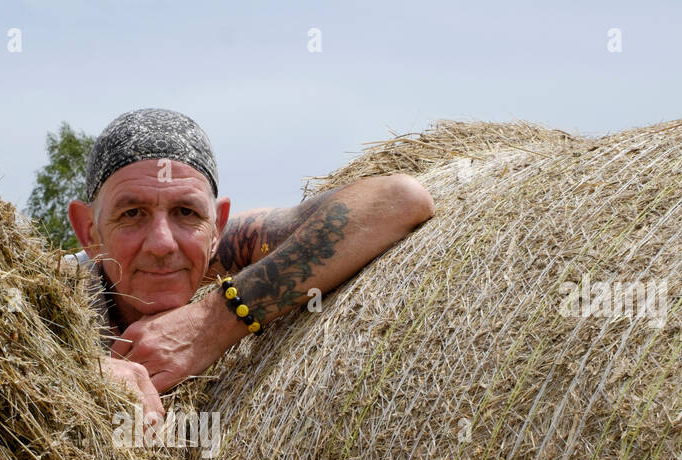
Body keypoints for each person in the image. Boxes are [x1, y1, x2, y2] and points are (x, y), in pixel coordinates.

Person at [66, 107, 434, 422]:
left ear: (218, 226)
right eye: (132, 213)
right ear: (89, 231)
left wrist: (211, 323)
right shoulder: (52, 294)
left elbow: (399, 200)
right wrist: (73, 373)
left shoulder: (229, 251)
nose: (163, 243)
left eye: (186, 212)